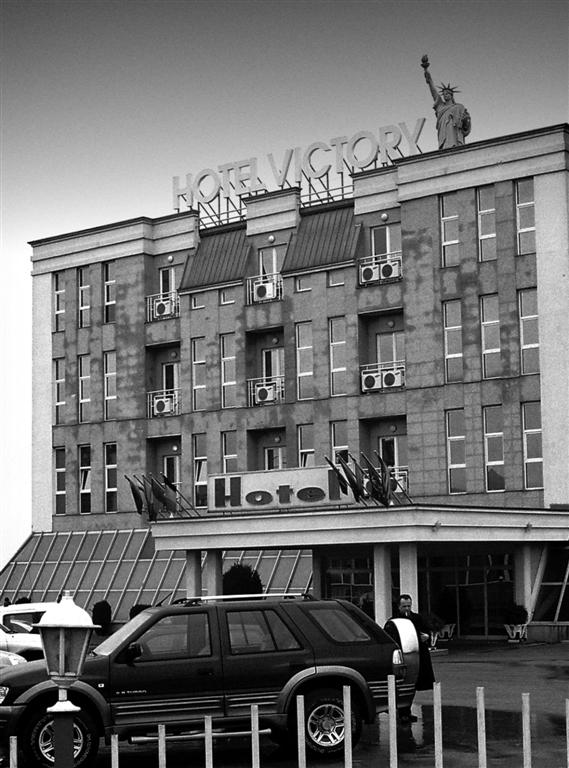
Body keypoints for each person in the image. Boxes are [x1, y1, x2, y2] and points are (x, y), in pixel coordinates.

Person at [387, 593, 435, 723]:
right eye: (404, 606)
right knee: (403, 685)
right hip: (403, 657)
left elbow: (426, 632)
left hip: (417, 655)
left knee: (412, 685)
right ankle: (402, 712)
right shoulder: (394, 621)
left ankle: (406, 712)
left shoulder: (417, 618)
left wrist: (426, 637)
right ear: (399, 606)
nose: (407, 609)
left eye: (409, 606)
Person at [421, 54, 471, 149]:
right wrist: (426, 71)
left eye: (447, 93)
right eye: (444, 94)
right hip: (443, 136)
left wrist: (466, 121)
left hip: (456, 135)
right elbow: (433, 90)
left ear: (451, 95)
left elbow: (466, 126)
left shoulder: (459, 107)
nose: (445, 95)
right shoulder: (440, 106)